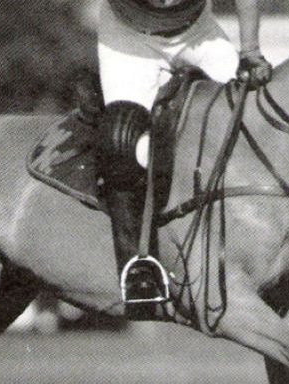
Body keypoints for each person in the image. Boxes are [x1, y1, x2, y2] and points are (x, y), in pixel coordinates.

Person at [95, 0, 272, 311]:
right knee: (122, 139)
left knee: (254, 110)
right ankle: (138, 267)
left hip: (197, 31)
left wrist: (251, 51)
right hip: (128, 39)